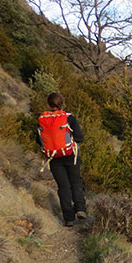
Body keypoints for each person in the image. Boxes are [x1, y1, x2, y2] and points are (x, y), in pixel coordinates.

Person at [37, 92, 87, 227]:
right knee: (75, 183)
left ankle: (68, 218)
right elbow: (79, 138)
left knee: (63, 187)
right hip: (71, 156)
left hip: (54, 158)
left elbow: (39, 139)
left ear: (48, 104)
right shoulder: (69, 118)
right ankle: (80, 209)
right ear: (62, 103)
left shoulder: (42, 118)